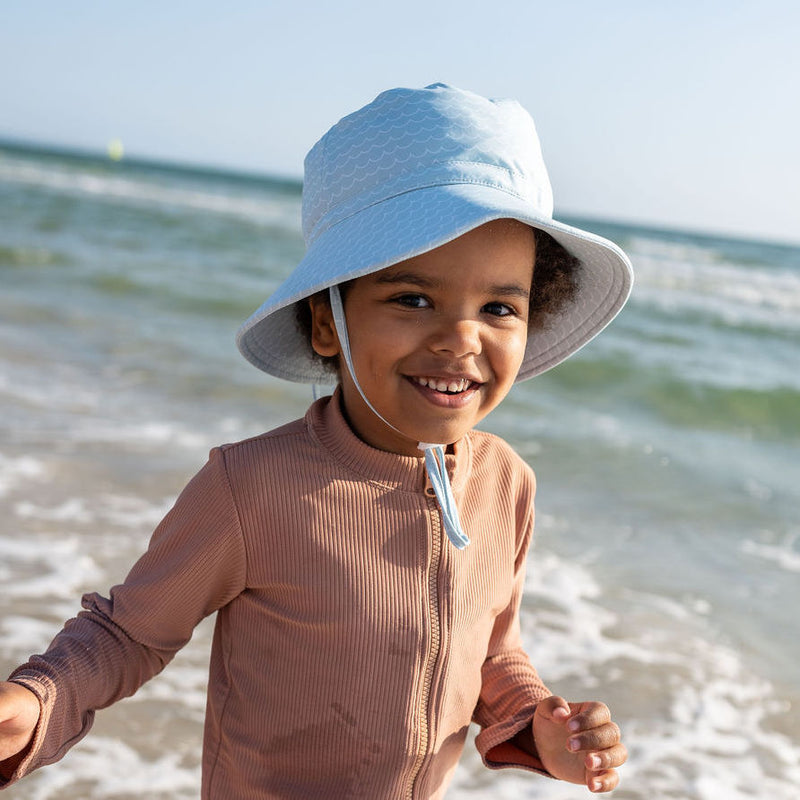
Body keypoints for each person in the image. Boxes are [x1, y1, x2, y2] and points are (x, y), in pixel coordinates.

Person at [0, 83, 633, 798]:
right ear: (327, 322)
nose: (462, 337)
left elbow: (490, 644)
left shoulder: (506, 482)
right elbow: (130, 634)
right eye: (412, 298)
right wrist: (37, 700)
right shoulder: (252, 487)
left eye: (498, 307)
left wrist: (536, 721)